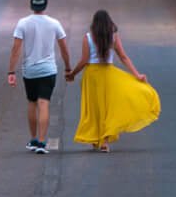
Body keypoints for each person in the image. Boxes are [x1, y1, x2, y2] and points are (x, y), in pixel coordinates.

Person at [67, 8, 160, 151]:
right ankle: (104, 142)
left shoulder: (88, 37)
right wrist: (137, 75)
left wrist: (73, 73)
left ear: (94, 23)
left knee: (93, 108)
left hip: (91, 75)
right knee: (107, 107)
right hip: (108, 74)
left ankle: (95, 139)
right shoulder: (113, 37)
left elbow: (84, 60)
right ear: (109, 23)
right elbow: (123, 57)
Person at [8, 0, 72, 153]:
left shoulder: (23, 23)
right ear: (46, 4)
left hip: (30, 70)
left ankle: (33, 139)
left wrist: (11, 72)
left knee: (32, 102)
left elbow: (15, 49)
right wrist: (68, 67)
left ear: (31, 4)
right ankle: (43, 142)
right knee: (44, 103)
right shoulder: (54, 23)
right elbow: (64, 48)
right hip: (48, 70)